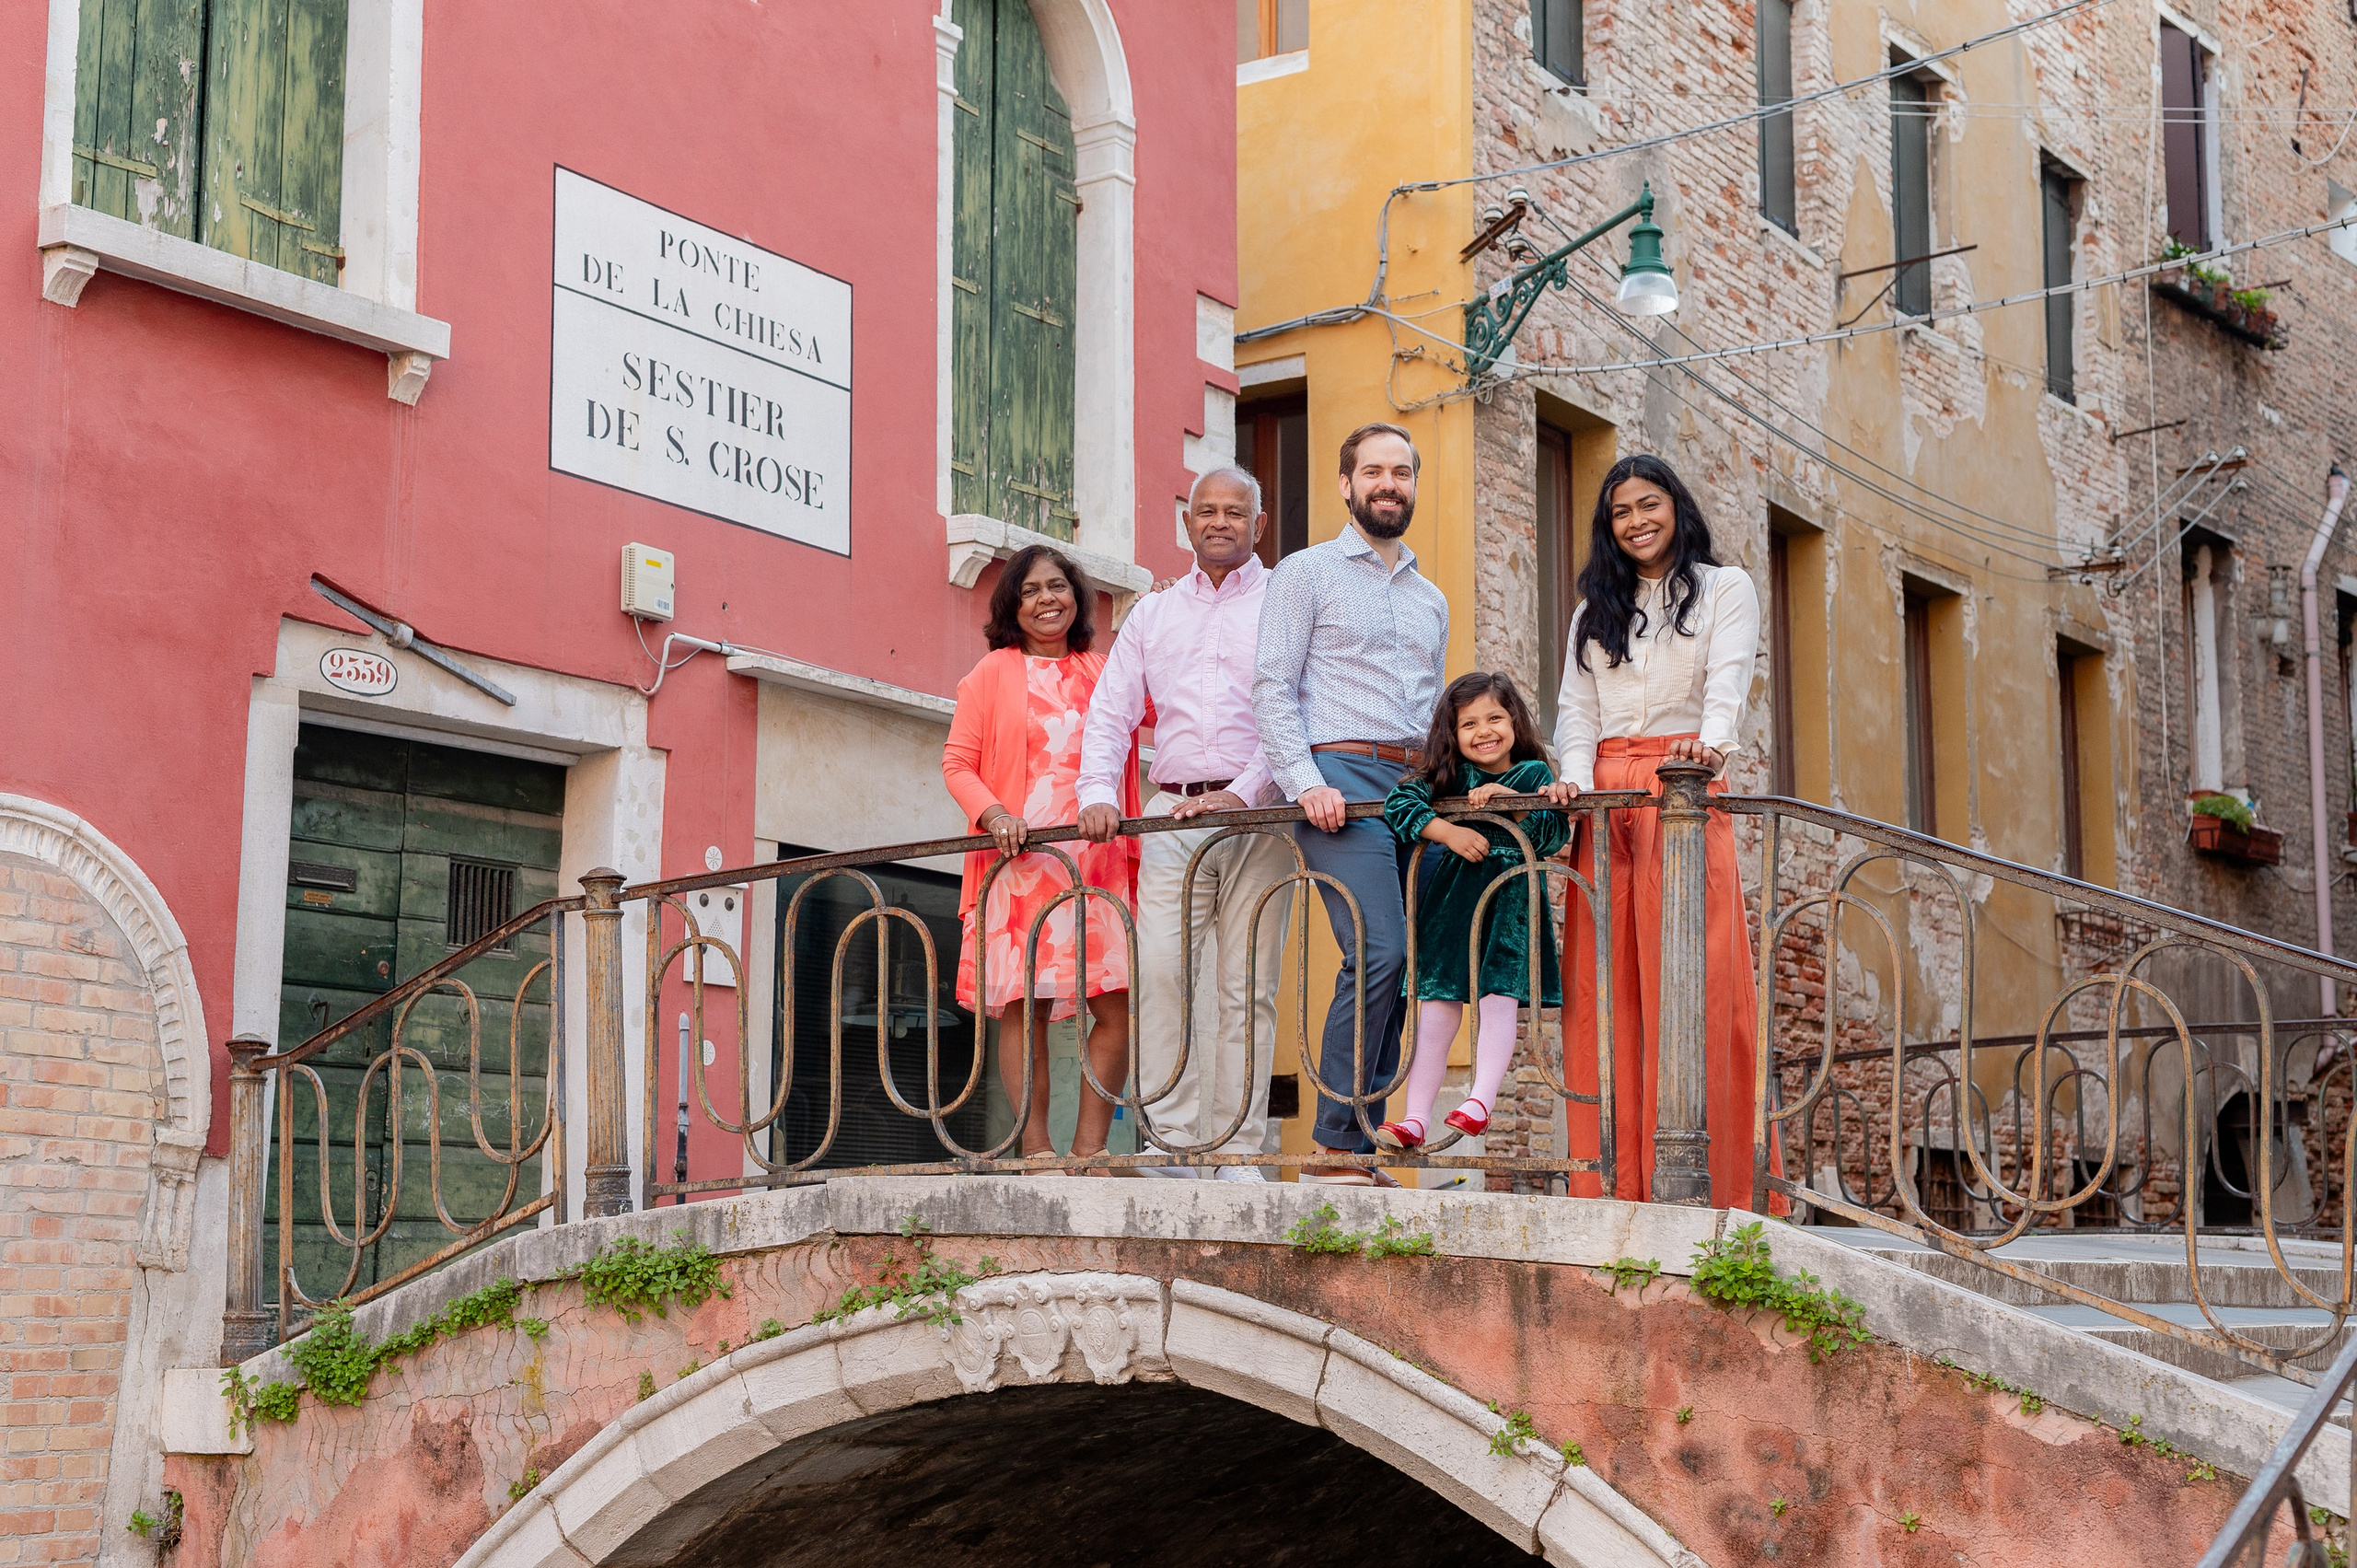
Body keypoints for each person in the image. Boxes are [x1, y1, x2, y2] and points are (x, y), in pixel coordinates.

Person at [1543, 453, 1781, 1209]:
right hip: (1605, 803)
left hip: (1682, 786)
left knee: (1697, 982)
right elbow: (1576, 710)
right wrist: (1574, 779)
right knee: (1601, 990)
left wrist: (1710, 748)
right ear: (1607, 527)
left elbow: (1729, 680)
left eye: (1649, 504)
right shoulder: (1594, 610)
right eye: (1621, 512)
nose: (1637, 521)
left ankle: (1716, 1186)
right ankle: (1612, 1182)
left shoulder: (1724, 588)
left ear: (1677, 507)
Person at [1076, 468, 1291, 1182]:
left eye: (1236, 511)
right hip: (1171, 813)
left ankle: (1235, 1150)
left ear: (1258, 525)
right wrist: (1098, 790)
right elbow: (1111, 710)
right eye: (1207, 511)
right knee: (1162, 974)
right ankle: (1172, 1143)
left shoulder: (1286, 602)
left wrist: (1245, 789)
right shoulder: (1152, 614)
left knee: (1245, 984)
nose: (1220, 522)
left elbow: (1296, 706)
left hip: (1261, 813)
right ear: (1187, 523)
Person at [1251, 422, 1450, 1185]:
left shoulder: (1430, 598)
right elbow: (1272, 685)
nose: (1388, 484)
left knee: (1406, 965)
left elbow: (1434, 705)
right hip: (1338, 780)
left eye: (1401, 472)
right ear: (1346, 483)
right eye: (1373, 471)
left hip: (1415, 788)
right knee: (1377, 949)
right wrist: (1305, 780)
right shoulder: (1304, 573)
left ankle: (1361, 1139)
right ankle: (1335, 1145)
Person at [942, 545, 1139, 1171]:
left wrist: (1160, 612)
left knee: (1113, 1003)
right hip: (1019, 862)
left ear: (1077, 597)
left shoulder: (1106, 671)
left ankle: (1091, 1148)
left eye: (1058, 586)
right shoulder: (990, 674)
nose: (1047, 598)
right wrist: (995, 814)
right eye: (1030, 590)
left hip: (1098, 858)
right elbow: (957, 763)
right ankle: (1036, 1149)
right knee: (1025, 1007)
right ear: (1011, 604)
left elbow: (1165, 701)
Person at [1375, 673, 1566, 1152]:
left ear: (1515, 723)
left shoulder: (1534, 775)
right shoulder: (1450, 776)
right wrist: (1446, 830)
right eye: (1469, 724)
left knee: (1497, 999)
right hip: (1452, 899)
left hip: (1511, 901)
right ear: (1453, 733)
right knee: (1437, 1006)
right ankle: (1416, 1118)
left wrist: (1512, 805)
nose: (1484, 731)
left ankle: (1480, 1101)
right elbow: (1400, 802)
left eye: (1495, 718)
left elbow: (1552, 834)